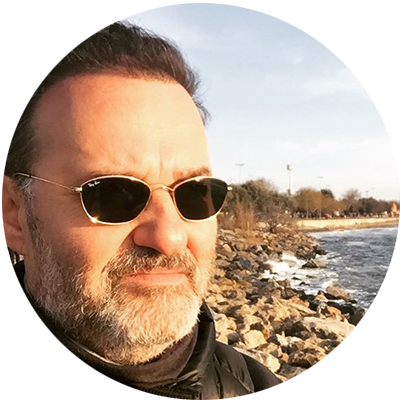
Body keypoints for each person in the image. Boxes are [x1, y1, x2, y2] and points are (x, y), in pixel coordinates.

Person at [2, 22, 280, 398]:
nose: (169, 236)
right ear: (15, 215)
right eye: (113, 195)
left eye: (195, 193)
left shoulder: (255, 385)